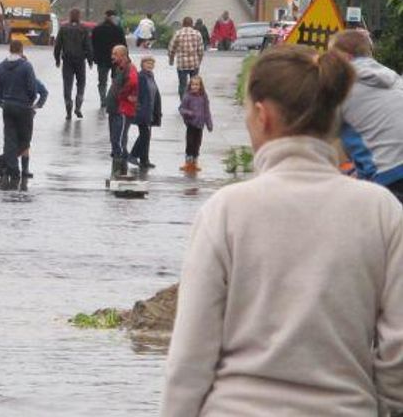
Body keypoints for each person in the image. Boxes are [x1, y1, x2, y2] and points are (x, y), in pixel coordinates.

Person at [162, 44, 403, 415]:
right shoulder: (382, 212)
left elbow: (190, 358)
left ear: (262, 115)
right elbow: (397, 351)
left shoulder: (225, 211)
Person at [331, 29, 403, 204]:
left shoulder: (341, 87)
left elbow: (318, 142)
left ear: (346, 58)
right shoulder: (393, 79)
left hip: (388, 179)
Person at [0, 40, 48, 189]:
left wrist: (1, 102)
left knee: (9, 139)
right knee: (25, 140)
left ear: (10, 50)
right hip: (23, 107)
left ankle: (12, 169)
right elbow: (31, 87)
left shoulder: (0, 67)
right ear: (21, 50)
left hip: (8, 106)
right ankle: (4, 162)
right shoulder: (26, 66)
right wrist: (30, 102)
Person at [53, 7, 93, 119]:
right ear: (79, 16)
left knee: (67, 85)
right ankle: (78, 106)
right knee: (81, 84)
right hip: (80, 60)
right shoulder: (83, 29)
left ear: (70, 16)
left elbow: (58, 46)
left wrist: (57, 59)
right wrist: (90, 60)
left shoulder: (64, 28)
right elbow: (88, 46)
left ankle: (68, 109)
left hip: (67, 61)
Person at [106, 45, 138, 176]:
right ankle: (117, 168)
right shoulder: (120, 68)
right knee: (114, 139)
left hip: (122, 110)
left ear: (123, 55)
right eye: (112, 53)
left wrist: (122, 95)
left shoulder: (129, 68)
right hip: (114, 109)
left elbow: (133, 82)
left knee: (118, 140)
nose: (112, 56)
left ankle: (119, 170)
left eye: (115, 53)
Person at [128, 56, 161, 170]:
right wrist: (139, 108)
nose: (150, 65)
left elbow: (154, 94)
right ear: (142, 64)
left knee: (146, 135)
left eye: (152, 63)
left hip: (150, 110)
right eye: (147, 63)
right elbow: (139, 94)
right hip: (143, 111)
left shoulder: (150, 76)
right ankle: (133, 155)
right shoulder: (141, 76)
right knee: (144, 135)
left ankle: (144, 160)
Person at [178, 74, 213, 174]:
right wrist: (189, 113)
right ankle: (188, 162)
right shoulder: (187, 96)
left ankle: (195, 162)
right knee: (190, 143)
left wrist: (209, 123)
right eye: (193, 85)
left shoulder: (204, 97)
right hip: (191, 124)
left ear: (201, 86)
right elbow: (181, 109)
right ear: (190, 86)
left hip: (200, 124)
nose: (195, 87)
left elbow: (207, 111)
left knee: (197, 144)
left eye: (197, 85)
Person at [91, 10, 126, 105]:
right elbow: (124, 45)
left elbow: (92, 45)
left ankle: (103, 100)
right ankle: (113, 98)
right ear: (113, 17)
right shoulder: (118, 30)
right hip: (116, 59)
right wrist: (126, 58)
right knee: (115, 80)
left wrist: (93, 58)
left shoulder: (97, 29)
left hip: (101, 60)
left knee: (102, 81)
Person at [167, 16, 205, 99]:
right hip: (194, 63)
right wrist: (199, 61)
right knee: (194, 84)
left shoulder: (178, 33)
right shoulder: (197, 34)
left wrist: (171, 59)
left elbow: (171, 48)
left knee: (182, 84)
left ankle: (184, 103)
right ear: (192, 24)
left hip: (182, 64)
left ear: (183, 24)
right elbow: (201, 50)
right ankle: (194, 102)